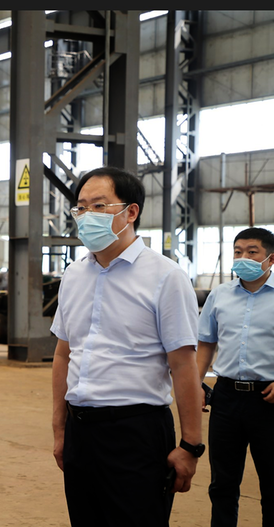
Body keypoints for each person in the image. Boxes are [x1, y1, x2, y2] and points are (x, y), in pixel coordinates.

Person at [51, 166, 204, 527]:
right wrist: (60, 430)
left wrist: (191, 446)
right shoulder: (73, 276)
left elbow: (184, 365)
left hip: (136, 433)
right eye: (81, 208)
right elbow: (63, 353)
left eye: (99, 206)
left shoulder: (166, 277)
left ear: (130, 212)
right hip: (81, 432)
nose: (87, 216)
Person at [196, 226, 274, 526]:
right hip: (226, 399)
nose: (243, 257)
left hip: (268, 401)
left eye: (252, 251)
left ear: (270, 258)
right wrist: (196, 385)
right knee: (223, 485)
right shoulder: (220, 296)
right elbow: (205, 344)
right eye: (238, 251)